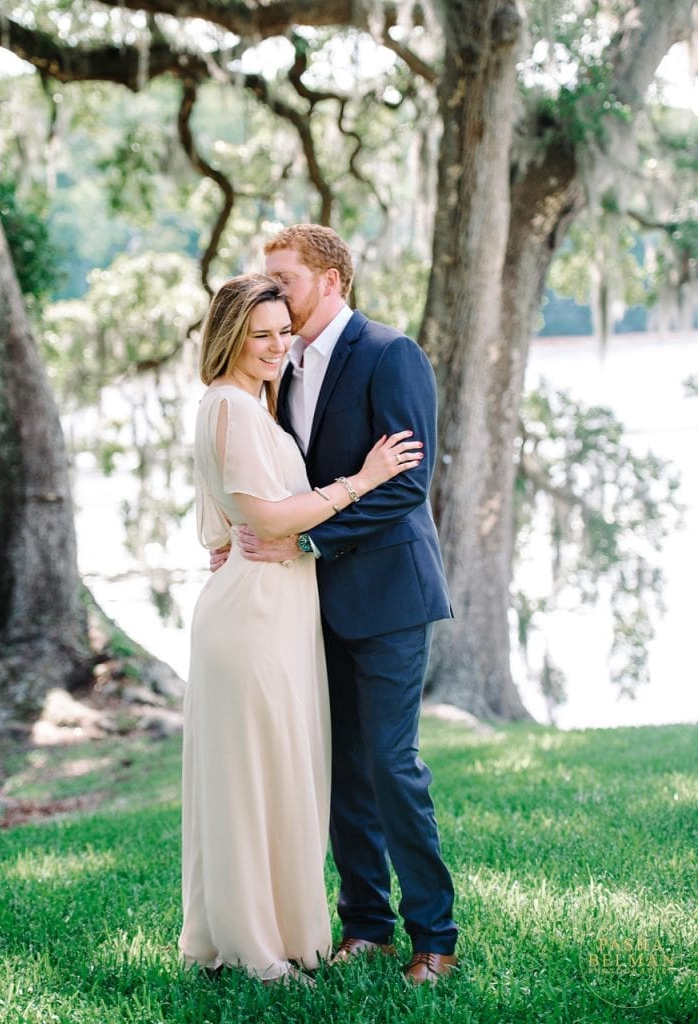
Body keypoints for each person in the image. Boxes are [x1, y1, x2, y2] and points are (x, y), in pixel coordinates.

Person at [224, 225, 459, 986]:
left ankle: (435, 936)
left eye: (284, 278)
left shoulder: (391, 355)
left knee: (392, 765)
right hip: (310, 605)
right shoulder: (276, 370)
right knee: (341, 770)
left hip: (388, 595)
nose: (274, 291)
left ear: (330, 281)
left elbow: (406, 483)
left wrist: (309, 544)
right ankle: (367, 924)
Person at [178, 273, 423, 985]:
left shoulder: (252, 407)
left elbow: (231, 513)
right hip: (252, 617)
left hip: (278, 609)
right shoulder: (230, 405)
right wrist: (364, 478)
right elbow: (273, 519)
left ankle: (277, 932)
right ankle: (252, 946)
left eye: (284, 333)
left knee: (279, 775)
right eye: (261, 335)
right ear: (228, 336)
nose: (277, 347)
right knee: (252, 780)